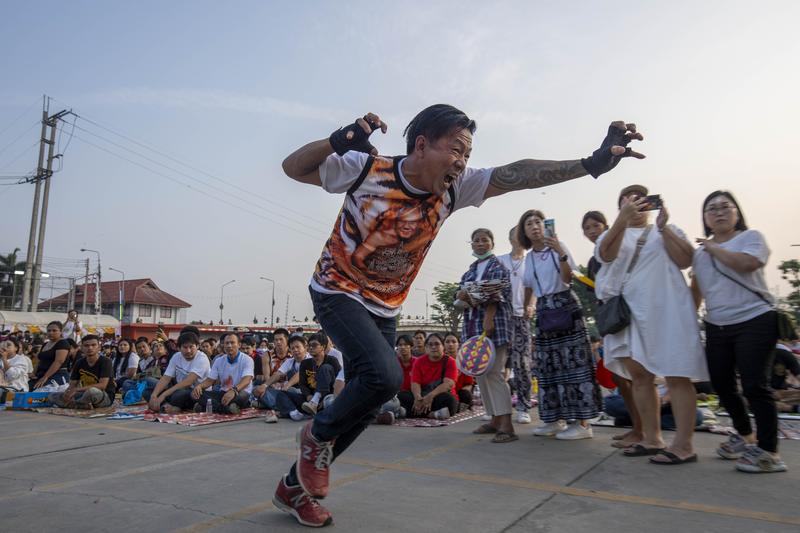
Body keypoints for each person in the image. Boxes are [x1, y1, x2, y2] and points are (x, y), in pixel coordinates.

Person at [273, 104, 643, 526]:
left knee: (370, 399)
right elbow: (292, 167)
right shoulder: (365, 169)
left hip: (386, 303)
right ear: (421, 145)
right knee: (385, 377)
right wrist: (338, 142)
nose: (463, 162)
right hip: (337, 289)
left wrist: (592, 163)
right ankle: (317, 435)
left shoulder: (456, 188)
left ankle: (294, 486)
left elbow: (519, 174)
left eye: (468, 154)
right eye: (456, 149)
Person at [596, 184, 708, 464]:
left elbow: (686, 260)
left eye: (641, 199)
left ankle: (684, 445)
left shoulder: (666, 229)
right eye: (628, 200)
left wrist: (664, 227)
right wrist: (621, 221)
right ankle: (652, 438)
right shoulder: (613, 234)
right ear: (621, 206)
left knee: (677, 375)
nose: (636, 204)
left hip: (668, 311)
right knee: (640, 377)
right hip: (630, 315)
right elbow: (606, 255)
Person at [691, 190, 786, 472]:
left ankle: (769, 452)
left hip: (755, 318)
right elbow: (697, 291)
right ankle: (745, 436)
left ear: (737, 212)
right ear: (705, 217)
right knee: (721, 384)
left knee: (755, 385)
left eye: (725, 207)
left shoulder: (751, 237)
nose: (719, 212)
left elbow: (746, 264)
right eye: (712, 209)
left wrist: (712, 247)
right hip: (717, 324)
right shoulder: (700, 255)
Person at [520, 209, 602, 440]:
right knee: (549, 367)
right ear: (524, 231)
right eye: (529, 223)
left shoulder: (559, 246)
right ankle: (554, 420)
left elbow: (567, 278)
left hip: (565, 305)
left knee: (573, 363)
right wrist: (527, 308)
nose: (534, 226)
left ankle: (582, 424)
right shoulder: (529, 257)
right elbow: (528, 286)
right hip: (544, 310)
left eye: (538, 221)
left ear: (545, 225)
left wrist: (559, 251)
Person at [583, 210, 642, 448]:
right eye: (587, 228)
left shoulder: (621, 248)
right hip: (609, 319)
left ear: (607, 226)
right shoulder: (593, 261)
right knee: (619, 375)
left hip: (629, 314)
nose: (592, 231)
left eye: (596, 225)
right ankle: (637, 426)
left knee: (637, 374)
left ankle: (645, 429)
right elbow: (594, 292)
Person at [457, 228, 516, 442]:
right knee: (481, 374)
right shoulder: (470, 270)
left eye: (484, 240)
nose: (480, 243)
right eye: (476, 240)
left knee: (495, 373)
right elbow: (460, 296)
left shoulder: (498, 266)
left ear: (492, 243)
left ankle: (507, 424)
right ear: (472, 244)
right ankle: (494, 419)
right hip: (473, 327)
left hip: (495, 325)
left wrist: (488, 317)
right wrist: (465, 295)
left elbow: (495, 294)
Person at [496, 225, 534, 424]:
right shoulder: (499, 261)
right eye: (516, 234)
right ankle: (497, 408)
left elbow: (534, 287)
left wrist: (531, 305)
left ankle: (523, 406)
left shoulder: (531, 261)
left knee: (522, 364)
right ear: (510, 238)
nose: (519, 237)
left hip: (522, 318)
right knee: (497, 365)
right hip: (501, 318)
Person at [397, 333, 458, 420]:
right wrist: (417, 398)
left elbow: (448, 384)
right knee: (402, 396)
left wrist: (430, 396)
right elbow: (415, 383)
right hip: (422, 395)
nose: (433, 347)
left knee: (450, 401)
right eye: (430, 344)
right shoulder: (419, 361)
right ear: (426, 347)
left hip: (438, 396)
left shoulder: (450, 361)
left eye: (437, 344)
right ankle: (434, 414)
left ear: (443, 346)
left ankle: (411, 413)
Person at [148, 331, 210, 414]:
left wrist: (164, 395)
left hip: (196, 392)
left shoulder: (202, 358)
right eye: (185, 347)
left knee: (179, 394)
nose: (188, 351)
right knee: (148, 392)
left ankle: (174, 406)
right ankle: (167, 406)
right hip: (178, 390)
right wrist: (154, 395)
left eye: (191, 347)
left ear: (197, 346)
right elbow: (166, 378)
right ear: (179, 348)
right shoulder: (176, 357)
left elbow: (188, 382)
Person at [191, 333, 254, 415]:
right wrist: (199, 386)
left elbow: (246, 380)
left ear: (239, 345)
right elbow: (210, 380)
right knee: (195, 394)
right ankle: (224, 408)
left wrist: (234, 391)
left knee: (242, 396)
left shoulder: (247, 360)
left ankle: (208, 407)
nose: (229, 346)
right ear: (223, 345)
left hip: (239, 391)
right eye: (227, 343)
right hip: (223, 393)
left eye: (232, 343)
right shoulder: (219, 360)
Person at [49, 335, 116, 409]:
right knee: (52, 396)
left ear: (99, 347)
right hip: (83, 394)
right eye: (86, 345)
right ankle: (81, 405)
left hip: (103, 396)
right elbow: (72, 385)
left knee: (92, 392)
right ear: (82, 348)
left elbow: (102, 385)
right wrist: (68, 393)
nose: (90, 348)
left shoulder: (106, 361)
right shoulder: (79, 362)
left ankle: (75, 405)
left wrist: (77, 389)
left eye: (93, 345)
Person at [259, 335, 310, 419]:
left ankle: (288, 410)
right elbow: (278, 374)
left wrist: (287, 386)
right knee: (262, 391)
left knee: (288, 392)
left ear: (305, 347)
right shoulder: (290, 361)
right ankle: (290, 410)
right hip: (290, 393)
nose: (295, 350)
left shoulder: (311, 359)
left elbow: (300, 374)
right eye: (292, 348)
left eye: (298, 347)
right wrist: (264, 385)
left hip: (307, 394)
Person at [297, 333, 343, 416]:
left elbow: (339, 381)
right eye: (309, 345)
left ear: (323, 347)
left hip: (327, 396)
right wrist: (308, 396)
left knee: (325, 368)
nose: (311, 348)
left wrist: (320, 398)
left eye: (314, 345)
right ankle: (294, 413)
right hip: (310, 398)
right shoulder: (305, 363)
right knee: (283, 394)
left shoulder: (332, 360)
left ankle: (315, 402)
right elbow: (302, 384)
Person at [30, 321, 71, 390]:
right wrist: (33, 373)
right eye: (49, 331)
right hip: (41, 374)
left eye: (54, 330)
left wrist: (45, 377)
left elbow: (59, 361)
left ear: (61, 332)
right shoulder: (45, 344)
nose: (51, 333)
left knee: (39, 390)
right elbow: (40, 361)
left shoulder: (63, 343)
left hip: (57, 374)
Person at [444, 332, 474, 411]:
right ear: (443, 344)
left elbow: (469, 384)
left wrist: (463, 392)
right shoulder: (440, 360)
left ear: (459, 344)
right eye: (447, 342)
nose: (450, 344)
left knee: (466, 395)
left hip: (460, 393)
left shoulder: (464, 361)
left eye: (454, 342)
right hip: (445, 393)